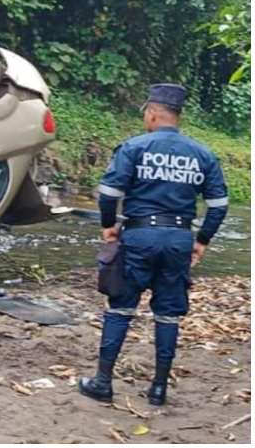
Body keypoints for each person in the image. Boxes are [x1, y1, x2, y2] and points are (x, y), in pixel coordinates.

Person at [78, 83, 228, 406]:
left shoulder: (134, 148)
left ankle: (103, 382)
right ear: (177, 116)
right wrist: (201, 241)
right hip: (178, 239)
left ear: (153, 112)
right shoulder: (202, 154)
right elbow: (218, 205)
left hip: (139, 236)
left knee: (120, 306)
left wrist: (108, 227)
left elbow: (109, 194)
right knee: (168, 313)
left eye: (145, 113)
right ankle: (158, 390)